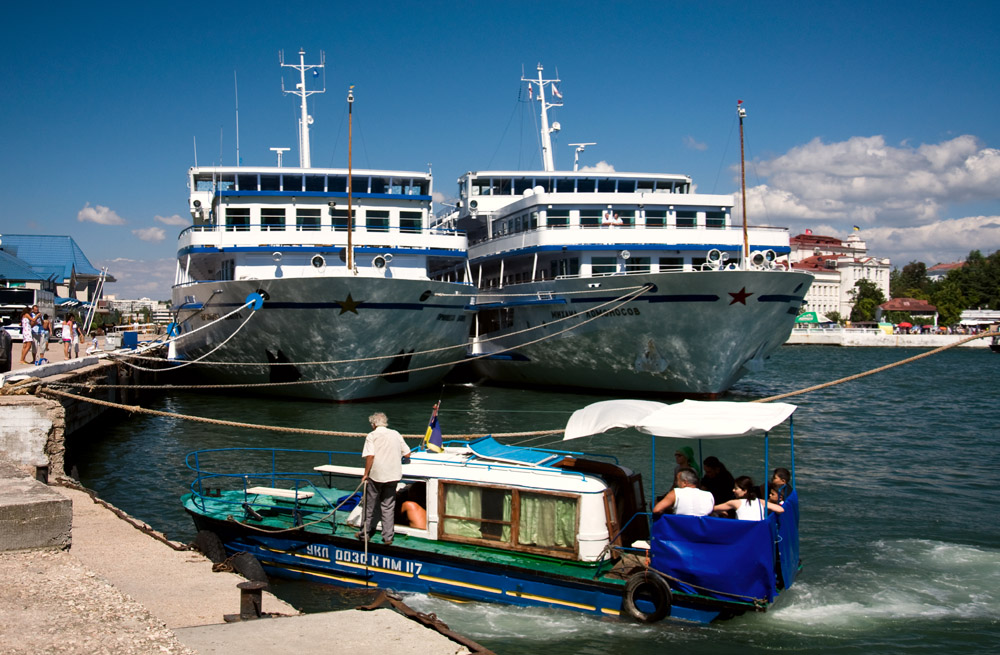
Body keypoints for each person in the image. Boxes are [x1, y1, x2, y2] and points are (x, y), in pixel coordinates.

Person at [359, 412, 410, 546]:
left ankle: (365, 533)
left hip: (377, 475)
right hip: (393, 475)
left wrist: (365, 474)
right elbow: (407, 452)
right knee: (388, 506)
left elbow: (370, 456)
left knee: (369, 506)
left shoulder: (372, 435)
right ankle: (388, 537)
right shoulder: (395, 433)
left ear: (374, 424)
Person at [714, 476, 784, 521]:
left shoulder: (734, 503)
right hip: (758, 531)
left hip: (743, 533)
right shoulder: (760, 501)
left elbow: (711, 508)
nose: (733, 490)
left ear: (745, 491)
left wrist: (721, 511)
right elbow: (780, 510)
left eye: (736, 488)